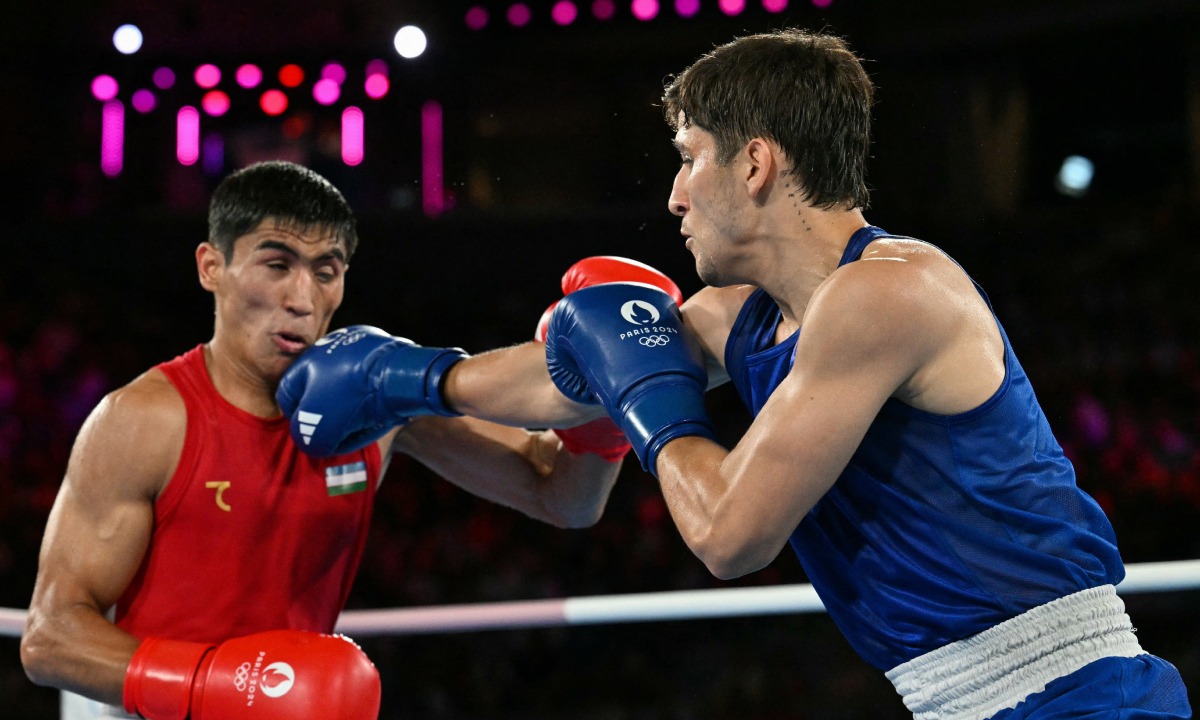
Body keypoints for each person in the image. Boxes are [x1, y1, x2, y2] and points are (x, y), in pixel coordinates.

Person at [536, 28, 1194, 719]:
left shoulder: (887, 292)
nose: (674, 196)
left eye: (690, 158)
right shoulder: (737, 319)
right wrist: (425, 382)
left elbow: (727, 535)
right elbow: (543, 390)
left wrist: (649, 399)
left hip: (1075, 699)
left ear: (755, 162)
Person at [19, 160, 666, 720]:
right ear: (211, 267)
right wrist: (222, 687)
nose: (301, 297)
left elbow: (563, 498)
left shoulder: (374, 404)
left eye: (326, 270)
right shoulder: (144, 420)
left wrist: (598, 421)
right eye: (276, 264)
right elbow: (50, 638)